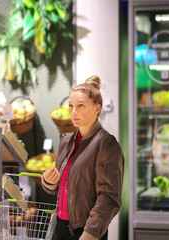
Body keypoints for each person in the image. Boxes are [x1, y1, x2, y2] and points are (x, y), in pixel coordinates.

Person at [42, 75, 124, 240]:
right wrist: (49, 182)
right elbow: (62, 188)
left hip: (86, 232)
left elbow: (108, 197)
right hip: (61, 228)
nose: (74, 112)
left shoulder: (106, 144)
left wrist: (89, 235)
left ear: (97, 109)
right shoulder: (66, 141)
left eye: (80, 106)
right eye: (71, 106)